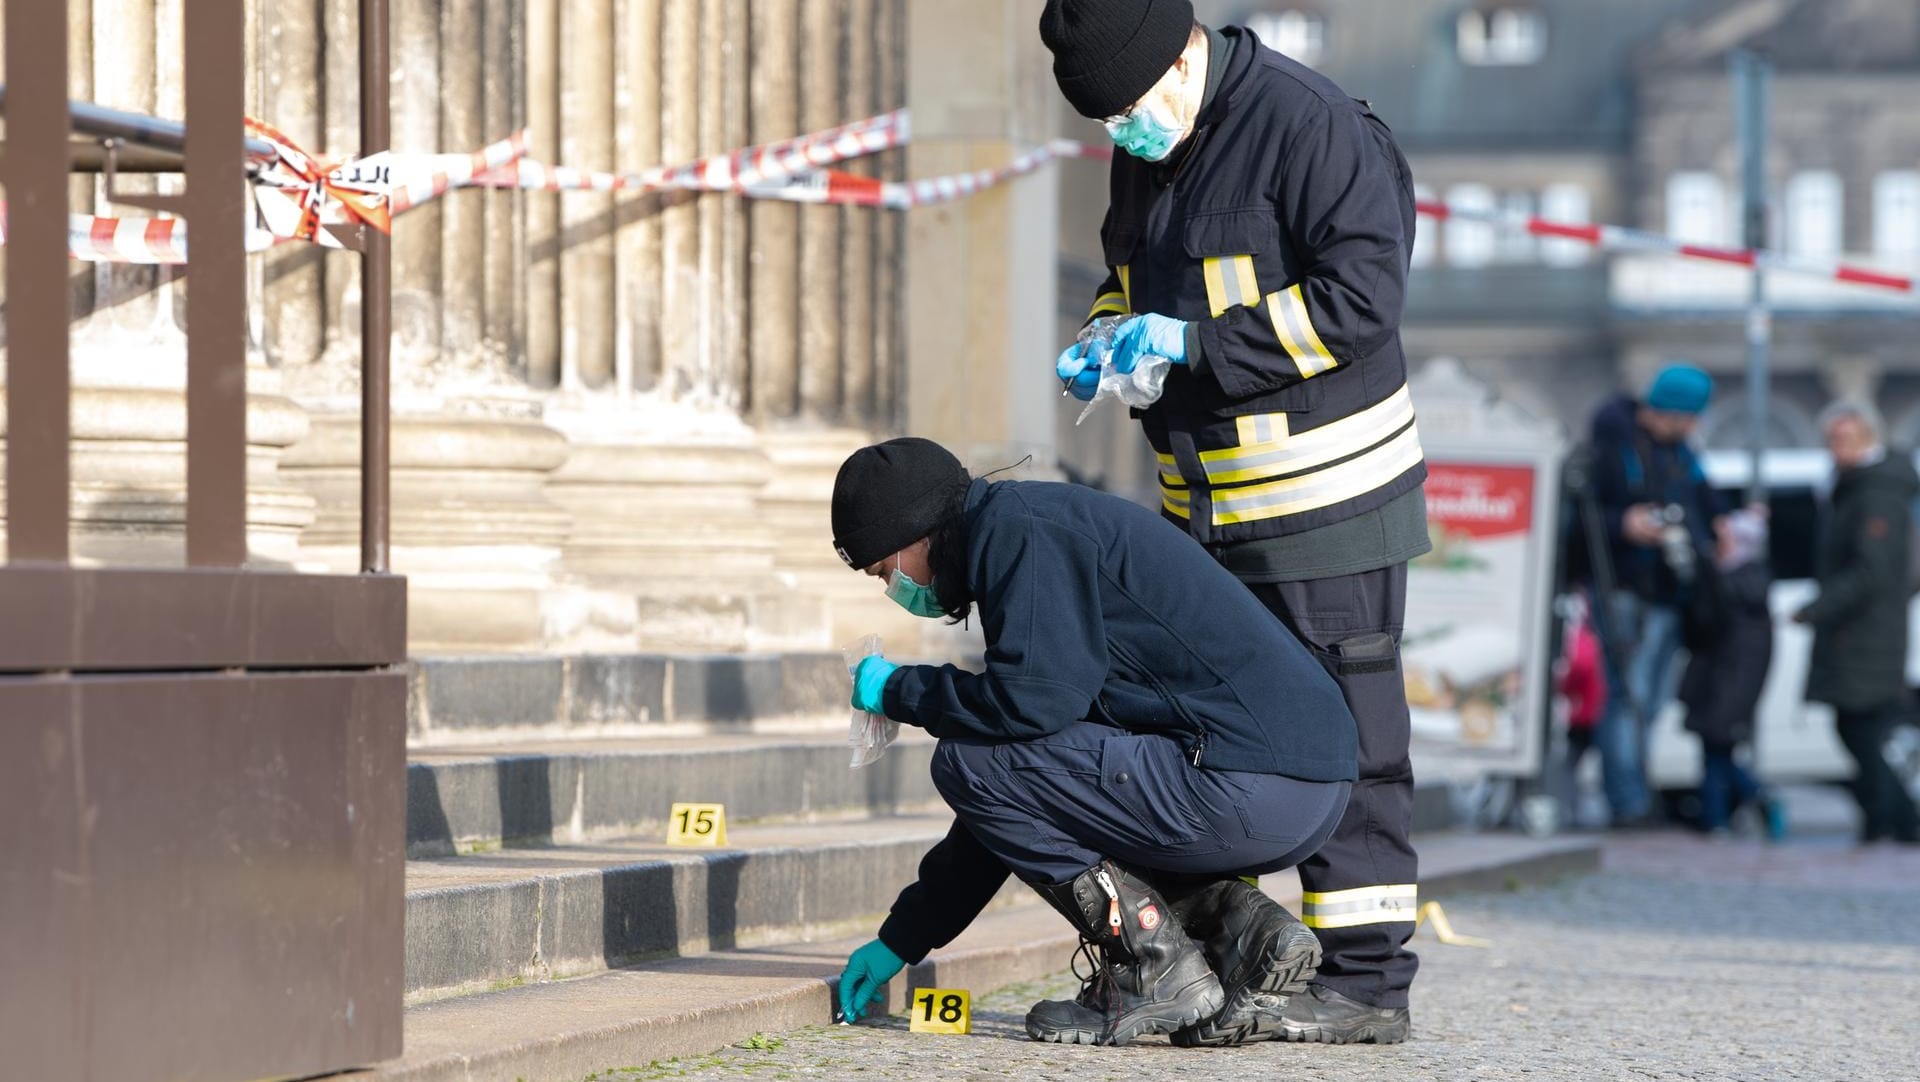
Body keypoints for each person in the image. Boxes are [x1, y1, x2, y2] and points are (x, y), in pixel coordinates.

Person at [1038, 0, 1425, 1044]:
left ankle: (1365, 982)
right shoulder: (1150, 144)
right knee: (1207, 741)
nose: (1121, 134)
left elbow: (1360, 297)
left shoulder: (1310, 125)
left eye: (1126, 112)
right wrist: (1108, 335)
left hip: (1329, 497)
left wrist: (1197, 347)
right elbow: (1130, 270)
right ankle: (1223, 959)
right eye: (1105, 122)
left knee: (1352, 741)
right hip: (1206, 510)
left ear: (1180, 59)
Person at [828, 438, 1357, 1048]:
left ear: (913, 536)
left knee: (967, 760)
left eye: (885, 571)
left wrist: (901, 691)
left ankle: (1156, 967)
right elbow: (1029, 785)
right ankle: (1242, 931)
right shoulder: (1036, 524)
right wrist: (905, 936)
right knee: (1013, 766)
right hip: (1300, 789)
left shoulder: (1016, 534)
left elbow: (1027, 708)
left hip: (1246, 783)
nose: (894, 588)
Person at [1585, 363, 1727, 829]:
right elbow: (1578, 517)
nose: (1692, 428)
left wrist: (1723, 523)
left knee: (1650, 699)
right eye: (1688, 418)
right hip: (1623, 587)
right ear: (1673, 413)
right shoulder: (1608, 444)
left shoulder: (1678, 451)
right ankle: (1627, 802)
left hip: (1668, 592)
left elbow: (1705, 498)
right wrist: (1623, 525)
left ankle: (1636, 793)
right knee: (1629, 695)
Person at [1795, 401, 1919, 845]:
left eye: (1844, 439)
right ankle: (1890, 819)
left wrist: (1818, 607)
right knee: (1860, 728)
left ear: (1868, 438)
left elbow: (1870, 569)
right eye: (1831, 439)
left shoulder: (1876, 492)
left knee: (1862, 728)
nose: (1835, 449)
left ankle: (1894, 820)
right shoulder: (1855, 487)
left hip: (1866, 632)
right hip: (1861, 630)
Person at [1676, 509, 1785, 839]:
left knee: (1715, 754)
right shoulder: (1751, 583)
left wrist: (1707, 567)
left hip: (1724, 685)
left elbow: (1704, 621)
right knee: (1717, 753)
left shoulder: (1731, 582)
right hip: (1723, 683)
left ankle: (1725, 814)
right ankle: (1728, 811)